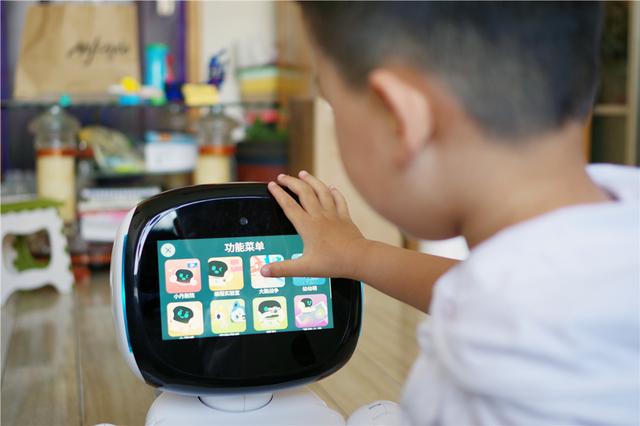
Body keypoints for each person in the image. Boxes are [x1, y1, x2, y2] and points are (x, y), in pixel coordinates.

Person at [259, 2, 640, 425]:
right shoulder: (616, 216)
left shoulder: (486, 371)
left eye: (334, 106)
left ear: (400, 121)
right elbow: (486, 292)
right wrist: (358, 255)